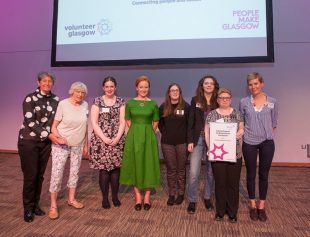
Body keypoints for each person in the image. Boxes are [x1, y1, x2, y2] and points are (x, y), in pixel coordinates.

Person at [18, 72, 59, 222]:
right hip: (28, 141)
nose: (47, 84)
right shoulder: (30, 98)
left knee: (40, 176)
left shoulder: (56, 100)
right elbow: (30, 121)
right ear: (38, 82)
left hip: (45, 143)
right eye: (44, 81)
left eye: (50, 81)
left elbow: (56, 121)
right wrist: (48, 134)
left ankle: (35, 205)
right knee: (31, 176)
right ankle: (28, 209)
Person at [239, 72, 278, 222]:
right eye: (250, 84)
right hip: (249, 141)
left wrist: (266, 134)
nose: (253, 86)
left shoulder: (272, 102)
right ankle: (252, 205)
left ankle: (261, 206)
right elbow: (241, 120)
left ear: (262, 84)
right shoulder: (244, 102)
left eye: (256, 83)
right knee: (250, 174)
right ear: (248, 86)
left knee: (264, 175)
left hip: (267, 143)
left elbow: (274, 122)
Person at [48, 82, 88, 220]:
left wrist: (86, 144)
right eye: (78, 91)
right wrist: (58, 138)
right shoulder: (63, 104)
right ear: (72, 92)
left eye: (83, 92)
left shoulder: (85, 105)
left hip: (78, 145)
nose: (80, 94)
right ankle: (53, 205)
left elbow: (86, 126)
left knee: (74, 172)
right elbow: (54, 127)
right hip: (61, 145)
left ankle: (71, 199)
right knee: (57, 173)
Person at [120, 75, 161, 211]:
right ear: (136, 88)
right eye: (141, 87)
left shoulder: (153, 104)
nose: (144, 89)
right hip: (134, 136)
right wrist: (137, 131)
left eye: (146, 87)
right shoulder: (130, 103)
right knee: (135, 164)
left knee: (148, 164)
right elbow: (128, 120)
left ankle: (147, 197)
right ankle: (138, 197)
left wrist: (147, 132)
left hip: (149, 137)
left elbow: (155, 122)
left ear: (149, 88)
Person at [204, 88, 244, 222]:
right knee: (220, 183)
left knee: (233, 184)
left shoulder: (237, 114)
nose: (224, 100)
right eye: (221, 98)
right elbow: (207, 133)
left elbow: (242, 128)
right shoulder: (212, 115)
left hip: (235, 154)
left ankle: (232, 212)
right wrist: (210, 147)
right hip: (218, 154)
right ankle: (220, 212)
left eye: (227, 98)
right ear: (217, 100)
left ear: (231, 99)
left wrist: (240, 132)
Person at [89, 77, 126, 209]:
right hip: (100, 140)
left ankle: (115, 196)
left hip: (118, 139)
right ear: (103, 88)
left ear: (115, 87)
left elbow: (122, 121)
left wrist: (117, 138)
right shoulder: (97, 101)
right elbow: (94, 122)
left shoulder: (121, 101)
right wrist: (104, 138)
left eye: (112, 86)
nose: (109, 89)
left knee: (116, 170)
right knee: (104, 170)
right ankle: (105, 198)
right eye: (107, 86)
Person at [187, 75, 219, 214]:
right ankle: (192, 200)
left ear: (214, 86)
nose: (209, 85)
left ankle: (207, 197)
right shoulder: (195, 100)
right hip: (198, 139)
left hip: (215, 139)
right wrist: (189, 140)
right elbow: (190, 123)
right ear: (202, 85)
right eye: (206, 83)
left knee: (211, 171)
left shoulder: (218, 100)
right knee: (194, 172)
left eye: (211, 83)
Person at [158, 83, 190, 206]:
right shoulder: (163, 107)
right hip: (167, 144)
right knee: (171, 169)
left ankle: (181, 194)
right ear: (169, 93)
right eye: (172, 90)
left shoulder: (186, 107)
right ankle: (172, 194)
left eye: (177, 90)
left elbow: (189, 126)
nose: (175, 92)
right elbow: (160, 124)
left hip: (182, 143)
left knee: (181, 169)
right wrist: (166, 133)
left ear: (180, 92)